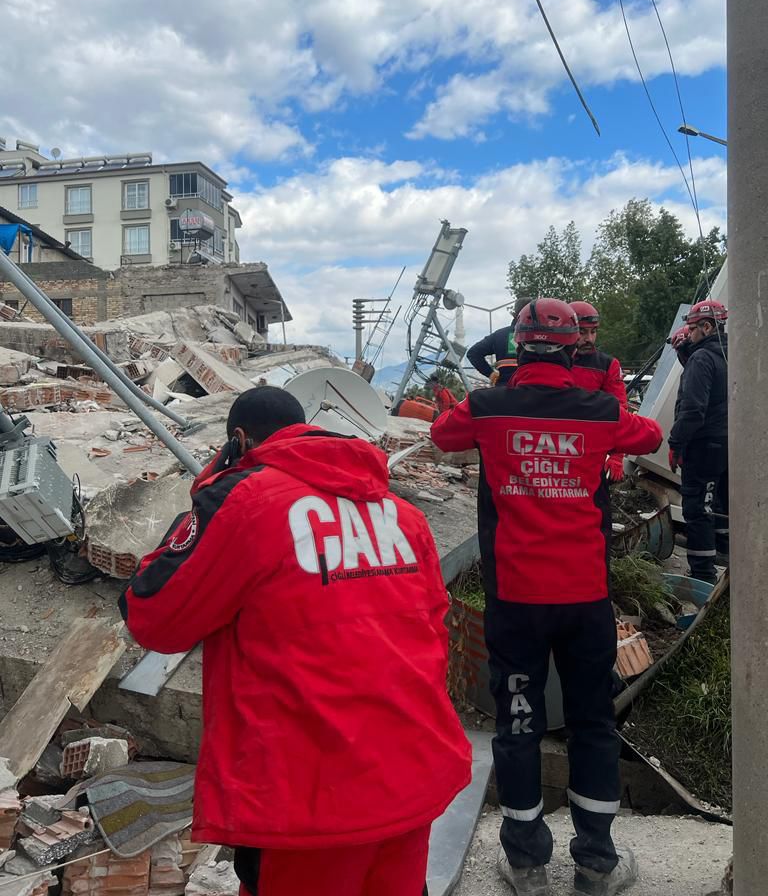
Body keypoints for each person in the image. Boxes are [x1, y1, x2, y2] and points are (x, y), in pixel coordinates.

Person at [120, 386, 471, 896]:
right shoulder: (402, 514)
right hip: (412, 772)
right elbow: (435, 625)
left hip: (308, 801)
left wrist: (210, 490)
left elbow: (153, 618)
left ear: (238, 440)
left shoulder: (245, 500)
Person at [431, 299, 662, 896]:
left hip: (516, 598)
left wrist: (497, 387)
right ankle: (596, 864)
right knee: (591, 724)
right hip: (584, 597)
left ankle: (528, 866)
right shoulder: (602, 409)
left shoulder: (487, 405)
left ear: (516, 345)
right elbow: (651, 434)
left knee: (518, 725)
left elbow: (441, 434)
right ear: (571, 347)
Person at [668, 300, 729, 584]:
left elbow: (693, 409)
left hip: (704, 445)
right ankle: (728, 561)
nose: (689, 334)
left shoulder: (702, 359)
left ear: (706, 326)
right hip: (729, 444)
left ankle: (703, 577)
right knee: (722, 505)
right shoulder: (732, 353)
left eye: (692, 329)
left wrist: (676, 443)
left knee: (698, 508)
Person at [570, 301, 628, 483]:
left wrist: (617, 455)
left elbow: (619, 410)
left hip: (591, 449)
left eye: (593, 332)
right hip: (556, 445)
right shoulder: (555, 361)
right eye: (583, 332)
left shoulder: (607, 365)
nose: (589, 338)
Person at [466, 295, 533, 386]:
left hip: (504, 391)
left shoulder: (499, 335)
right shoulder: (541, 336)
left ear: (514, 314)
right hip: (532, 391)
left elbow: (473, 353)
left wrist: (491, 373)